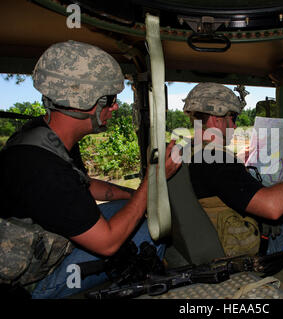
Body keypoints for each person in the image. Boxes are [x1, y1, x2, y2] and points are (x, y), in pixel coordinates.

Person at [0, 40, 180, 298]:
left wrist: (137, 197)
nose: (115, 107)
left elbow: (85, 184)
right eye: (110, 100)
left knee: (138, 210)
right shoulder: (39, 166)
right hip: (30, 281)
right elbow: (108, 244)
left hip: (49, 243)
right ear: (82, 102)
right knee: (150, 233)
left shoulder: (46, 136)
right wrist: (153, 180)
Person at [184, 83, 283, 256]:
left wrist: (240, 161)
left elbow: (222, 182)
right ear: (217, 119)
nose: (235, 126)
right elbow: (272, 208)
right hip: (254, 252)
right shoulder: (217, 161)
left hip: (213, 240)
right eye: (233, 117)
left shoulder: (190, 152)